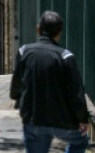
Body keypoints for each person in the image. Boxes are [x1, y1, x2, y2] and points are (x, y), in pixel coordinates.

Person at [9, 11, 89, 153]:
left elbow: (16, 88)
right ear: (59, 33)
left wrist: (20, 101)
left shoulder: (24, 52)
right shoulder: (65, 56)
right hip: (62, 120)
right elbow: (76, 93)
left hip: (33, 119)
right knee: (80, 141)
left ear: (38, 29)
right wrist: (82, 118)